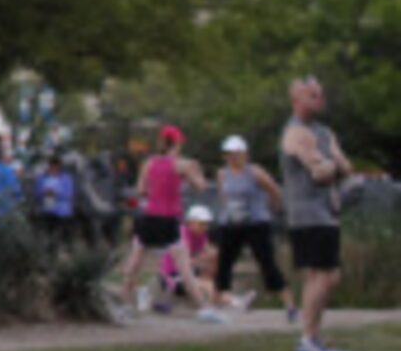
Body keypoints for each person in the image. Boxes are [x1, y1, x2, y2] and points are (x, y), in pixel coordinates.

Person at [278, 78, 357, 351]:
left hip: (327, 211)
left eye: (320, 94)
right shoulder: (294, 133)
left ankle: (311, 338)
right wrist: (330, 165)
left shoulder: (323, 132)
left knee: (322, 275)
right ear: (297, 100)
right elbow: (320, 172)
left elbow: (343, 167)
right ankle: (308, 338)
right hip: (306, 213)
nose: (319, 100)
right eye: (312, 95)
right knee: (326, 274)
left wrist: (330, 165)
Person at [115, 127, 205, 317]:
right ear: (177, 144)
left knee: (134, 263)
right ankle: (203, 307)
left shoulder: (149, 163)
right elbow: (201, 187)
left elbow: (140, 191)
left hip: (149, 218)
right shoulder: (182, 164)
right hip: (169, 220)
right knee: (185, 267)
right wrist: (195, 169)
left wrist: (155, 190)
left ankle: (123, 302)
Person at [210, 134, 287, 315]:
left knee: (265, 260)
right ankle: (218, 299)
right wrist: (228, 213)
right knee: (224, 262)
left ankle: (286, 300)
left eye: (236, 153)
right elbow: (224, 196)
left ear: (244, 154)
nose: (232, 157)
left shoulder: (255, 172)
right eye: (229, 154)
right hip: (232, 222)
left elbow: (274, 190)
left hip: (255, 221)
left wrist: (271, 208)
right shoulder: (223, 174)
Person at [36, 157, 80, 244]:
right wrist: (43, 193)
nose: (53, 169)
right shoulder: (42, 178)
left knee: (64, 232)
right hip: (48, 210)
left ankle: (66, 248)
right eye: (51, 166)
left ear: (59, 167)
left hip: (63, 211)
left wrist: (56, 194)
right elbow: (37, 193)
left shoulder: (66, 178)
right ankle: (52, 250)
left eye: (55, 167)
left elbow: (69, 193)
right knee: (50, 233)